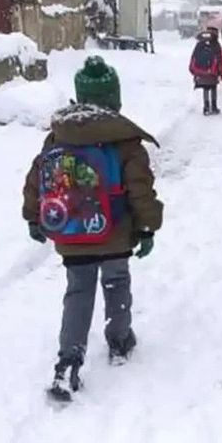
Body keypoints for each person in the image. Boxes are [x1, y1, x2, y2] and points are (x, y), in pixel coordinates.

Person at [22, 56, 163, 400]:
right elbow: (140, 189)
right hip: (115, 231)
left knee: (78, 293)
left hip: (72, 233)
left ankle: (69, 359)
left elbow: (37, 181)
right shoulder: (125, 140)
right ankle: (119, 341)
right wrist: (147, 227)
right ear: (114, 98)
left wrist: (34, 218)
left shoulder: (60, 135)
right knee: (116, 283)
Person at [189, 27, 222, 115]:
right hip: (212, 72)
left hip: (201, 72)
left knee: (205, 88)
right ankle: (214, 106)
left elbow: (194, 57)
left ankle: (206, 107)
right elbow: (219, 58)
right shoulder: (215, 44)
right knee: (213, 87)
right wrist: (220, 72)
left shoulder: (200, 44)